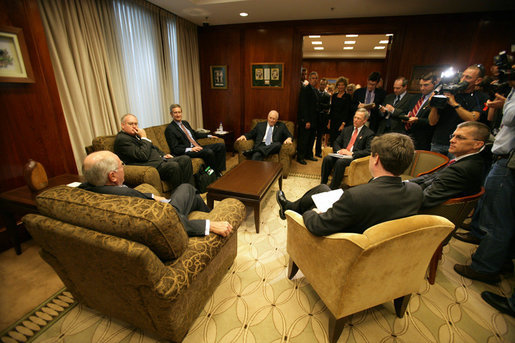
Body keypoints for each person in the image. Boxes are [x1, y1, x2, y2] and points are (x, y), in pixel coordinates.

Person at [276, 133, 423, 236]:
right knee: (323, 189)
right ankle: (289, 207)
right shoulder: (415, 191)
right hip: (367, 225)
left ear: (376, 159)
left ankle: (291, 211)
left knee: (312, 205)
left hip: (345, 241)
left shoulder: (355, 196)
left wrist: (312, 213)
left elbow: (318, 226)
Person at [80, 151, 233, 237]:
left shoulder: (84, 190)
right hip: (166, 215)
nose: (124, 168)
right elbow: (168, 223)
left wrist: (153, 197)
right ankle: (211, 216)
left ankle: (208, 211)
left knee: (190, 193)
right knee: (187, 188)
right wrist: (208, 225)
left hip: (156, 207)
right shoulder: (126, 196)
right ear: (112, 176)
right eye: (122, 165)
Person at [453, 76, 514, 285]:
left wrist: (506, 104)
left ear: (477, 144)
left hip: (508, 164)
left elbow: (510, 118)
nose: (453, 140)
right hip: (503, 160)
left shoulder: (465, 167)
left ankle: (485, 267)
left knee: (496, 222)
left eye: (459, 137)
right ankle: (501, 260)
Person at [409, 121, 489, 208]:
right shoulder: (466, 160)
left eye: (460, 137)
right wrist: (405, 183)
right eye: (453, 136)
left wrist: (397, 195)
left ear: (477, 144)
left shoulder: (462, 169)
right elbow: (433, 177)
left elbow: (425, 199)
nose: (451, 140)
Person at [114, 113, 193, 189]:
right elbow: (142, 155)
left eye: (136, 124)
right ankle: (180, 195)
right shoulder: (122, 139)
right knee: (173, 166)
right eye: (131, 124)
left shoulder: (135, 135)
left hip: (160, 161)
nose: (134, 126)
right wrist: (144, 137)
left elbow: (153, 147)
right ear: (122, 125)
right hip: (151, 166)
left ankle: (190, 190)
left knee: (185, 159)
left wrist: (163, 155)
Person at [429, 64, 488, 156]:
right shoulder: (449, 93)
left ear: (478, 81)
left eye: (468, 77)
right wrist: (434, 105)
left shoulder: (481, 97)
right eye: (462, 76)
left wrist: (454, 104)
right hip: (439, 142)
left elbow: (472, 118)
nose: (463, 80)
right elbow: (432, 122)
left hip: (461, 146)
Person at [165, 104, 226, 175]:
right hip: (188, 151)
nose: (178, 115)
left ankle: (218, 170)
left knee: (220, 146)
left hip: (197, 146)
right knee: (208, 152)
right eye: (175, 113)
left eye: (179, 112)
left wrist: (209, 135)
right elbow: (174, 149)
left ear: (181, 113)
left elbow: (195, 134)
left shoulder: (185, 123)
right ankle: (211, 173)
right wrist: (191, 149)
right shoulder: (170, 129)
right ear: (171, 114)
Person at [321, 108, 374, 189]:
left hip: (354, 157)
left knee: (340, 162)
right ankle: (323, 184)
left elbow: (368, 151)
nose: (355, 120)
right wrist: (339, 151)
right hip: (342, 154)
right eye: (355, 117)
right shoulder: (347, 129)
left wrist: (352, 153)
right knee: (327, 159)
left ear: (364, 121)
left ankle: (333, 187)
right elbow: (336, 142)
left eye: (358, 118)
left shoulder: (369, 133)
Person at [404, 73, 437, 150]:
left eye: (426, 85)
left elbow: (433, 122)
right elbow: (408, 111)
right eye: (420, 85)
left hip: (424, 139)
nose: (422, 88)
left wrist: (417, 120)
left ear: (434, 84)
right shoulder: (416, 97)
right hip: (409, 135)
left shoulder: (436, 99)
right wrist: (405, 117)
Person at [296, 71, 319, 164]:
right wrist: (307, 121)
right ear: (309, 79)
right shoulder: (305, 89)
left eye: (316, 78)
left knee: (311, 139)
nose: (314, 80)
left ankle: (308, 155)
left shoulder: (315, 90)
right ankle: (300, 157)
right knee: (304, 139)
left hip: (314, 120)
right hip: (306, 120)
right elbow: (303, 106)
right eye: (313, 78)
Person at [328, 76, 352, 146]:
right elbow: (331, 109)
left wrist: (343, 124)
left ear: (345, 86)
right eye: (339, 85)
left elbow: (347, 111)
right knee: (332, 139)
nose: (340, 86)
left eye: (342, 85)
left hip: (341, 122)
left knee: (339, 140)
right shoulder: (334, 96)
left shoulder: (347, 96)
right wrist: (329, 122)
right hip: (333, 121)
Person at [315, 78, 331, 157]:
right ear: (319, 84)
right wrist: (322, 105)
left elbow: (327, 107)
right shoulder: (315, 92)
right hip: (314, 117)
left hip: (322, 118)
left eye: (324, 84)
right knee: (311, 136)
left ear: (326, 85)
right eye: (321, 84)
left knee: (320, 137)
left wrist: (319, 104)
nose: (322, 86)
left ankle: (318, 152)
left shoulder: (327, 95)